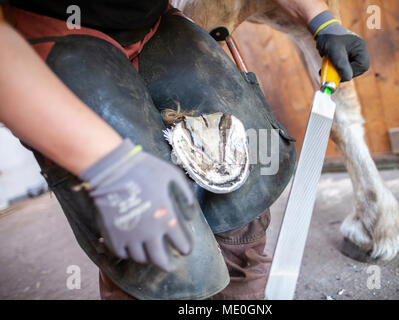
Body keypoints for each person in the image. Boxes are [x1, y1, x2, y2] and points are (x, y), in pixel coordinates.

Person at [0, 0, 369, 299]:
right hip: (52, 27)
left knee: (242, 184)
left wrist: (320, 20)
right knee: (156, 243)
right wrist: (112, 167)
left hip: (154, 23)